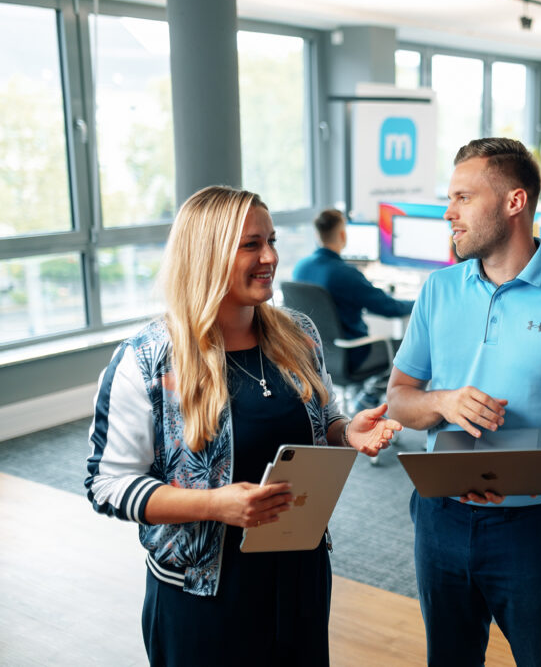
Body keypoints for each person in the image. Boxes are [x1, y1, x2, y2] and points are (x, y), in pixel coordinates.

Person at [85, 186, 401, 666]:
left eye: (271, 240)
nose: (270, 256)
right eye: (251, 244)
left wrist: (346, 432)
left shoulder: (299, 334)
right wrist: (215, 505)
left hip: (301, 575)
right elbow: (106, 485)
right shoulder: (147, 358)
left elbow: (324, 420)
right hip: (204, 593)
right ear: (208, 252)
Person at [385, 137, 541, 666]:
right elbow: (398, 401)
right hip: (437, 516)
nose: (449, 213)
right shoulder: (438, 290)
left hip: (530, 529)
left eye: (464, 198)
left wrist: (508, 476)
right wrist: (444, 402)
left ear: (514, 202)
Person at [293, 208, 414, 377]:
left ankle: (365, 396)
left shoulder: (300, 267)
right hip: (352, 355)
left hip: (314, 355)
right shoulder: (345, 274)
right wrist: (419, 302)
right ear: (343, 235)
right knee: (407, 349)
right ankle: (369, 398)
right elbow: (389, 308)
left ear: (317, 235)